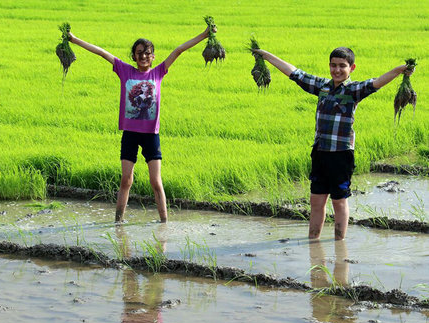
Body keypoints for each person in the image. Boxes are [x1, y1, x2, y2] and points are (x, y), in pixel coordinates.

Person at [252, 47, 415, 240]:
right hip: (320, 152)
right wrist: (265, 55)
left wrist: (400, 70)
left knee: (339, 202)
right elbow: (294, 73)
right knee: (316, 201)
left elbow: (377, 82)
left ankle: (340, 243)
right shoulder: (322, 86)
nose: (337, 70)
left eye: (342, 66)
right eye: (333, 65)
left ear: (351, 68)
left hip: (341, 155)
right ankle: (313, 241)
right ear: (329, 66)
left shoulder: (354, 90)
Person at [69, 24, 215, 223]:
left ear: (153, 56)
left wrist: (205, 34)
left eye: (147, 53)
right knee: (126, 181)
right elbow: (102, 53)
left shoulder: (158, 73)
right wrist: (74, 39)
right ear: (134, 56)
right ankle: (118, 222)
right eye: (139, 53)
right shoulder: (124, 70)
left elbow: (179, 49)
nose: (144, 56)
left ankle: (164, 222)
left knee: (155, 182)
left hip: (151, 135)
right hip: (130, 133)